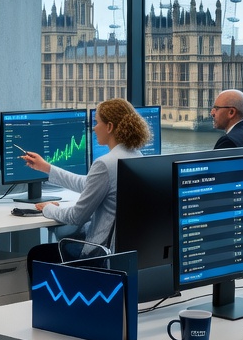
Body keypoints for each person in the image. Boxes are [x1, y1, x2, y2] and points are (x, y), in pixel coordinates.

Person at [20, 97, 151, 248]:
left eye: (96, 122)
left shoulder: (105, 163)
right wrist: (47, 168)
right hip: (122, 251)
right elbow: (90, 184)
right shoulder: (136, 156)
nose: (94, 128)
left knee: (37, 253)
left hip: (99, 254)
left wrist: (49, 208)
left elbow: (76, 216)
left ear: (109, 126)